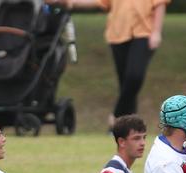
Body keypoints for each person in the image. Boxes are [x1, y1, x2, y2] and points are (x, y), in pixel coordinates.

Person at [52, 0, 168, 131]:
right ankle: (127, 130)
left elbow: (160, 4)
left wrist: (157, 32)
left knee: (134, 76)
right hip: (117, 34)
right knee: (126, 85)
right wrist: (69, 2)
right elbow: (100, 2)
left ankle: (116, 118)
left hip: (144, 32)